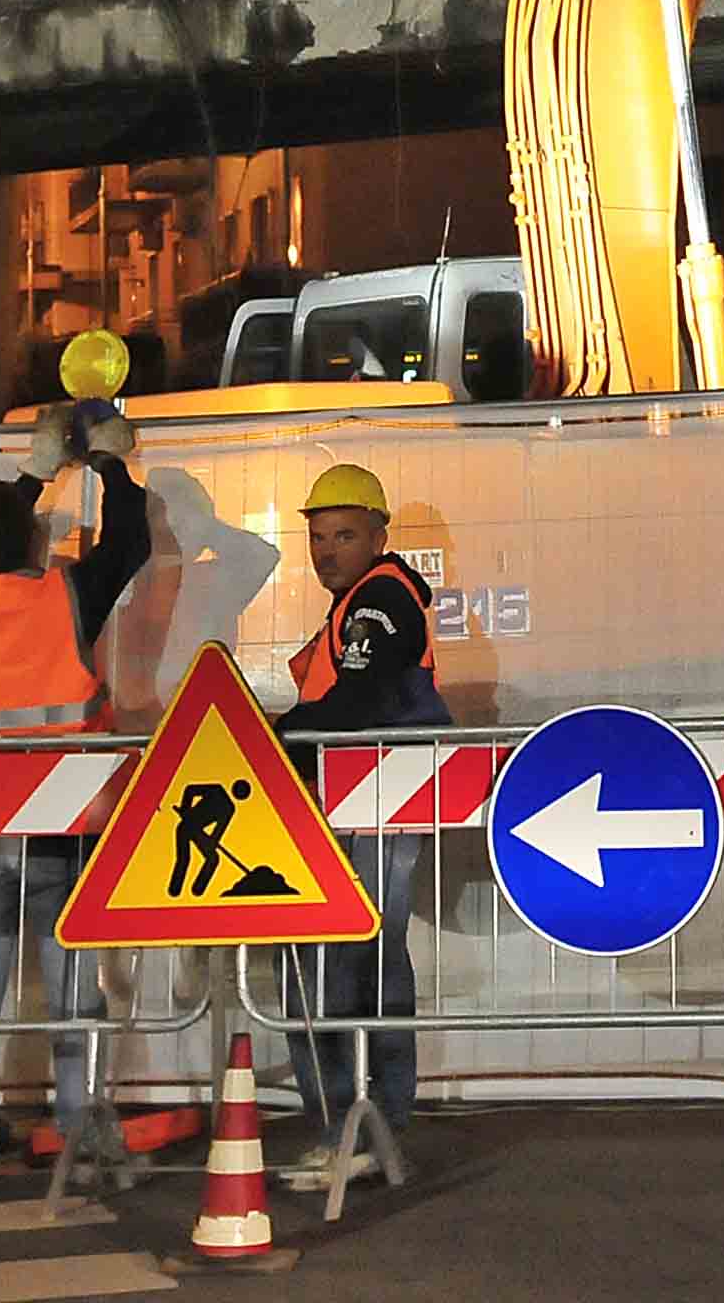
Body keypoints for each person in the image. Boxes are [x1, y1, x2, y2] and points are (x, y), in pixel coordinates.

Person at [0, 406, 153, 1196]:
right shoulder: (63, 597)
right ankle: (80, 1125)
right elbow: (129, 545)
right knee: (70, 989)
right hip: (63, 825)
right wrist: (112, 465)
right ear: (29, 543)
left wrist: (37, 469)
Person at [264, 459, 443, 1185]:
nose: (326, 550)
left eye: (343, 534)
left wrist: (271, 735)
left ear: (378, 535)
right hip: (358, 806)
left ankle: (356, 1126)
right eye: (317, 537)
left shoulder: (378, 602)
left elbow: (358, 701)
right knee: (359, 967)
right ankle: (366, 1127)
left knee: (341, 971)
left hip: (368, 808)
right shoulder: (368, 600)